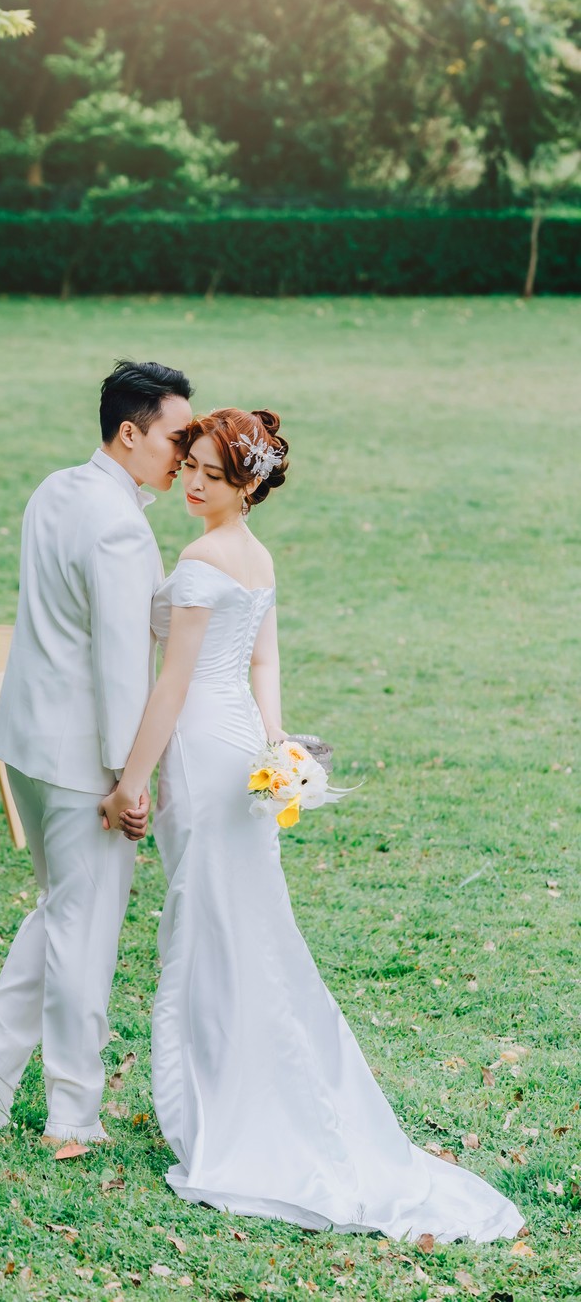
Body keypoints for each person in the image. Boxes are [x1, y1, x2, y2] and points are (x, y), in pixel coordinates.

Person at [100, 407, 525, 1242]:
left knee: (213, 917)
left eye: (214, 476)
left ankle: (233, 1105)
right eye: (192, 467)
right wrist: (275, 745)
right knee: (243, 918)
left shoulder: (203, 559)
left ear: (249, 485)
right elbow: (263, 661)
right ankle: (244, 1084)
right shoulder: (255, 557)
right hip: (238, 746)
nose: (194, 484)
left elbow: (174, 684)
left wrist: (131, 783)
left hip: (199, 747)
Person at [0, 360, 193, 1147]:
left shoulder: (56, 489)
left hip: (26, 742)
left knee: (64, 913)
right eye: (176, 437)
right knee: (85, 935)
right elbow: (121, 663)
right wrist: (128, 780)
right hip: (86, 760)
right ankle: (73, 1114)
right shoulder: (120, 527)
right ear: (130, 434)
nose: (186, 453)